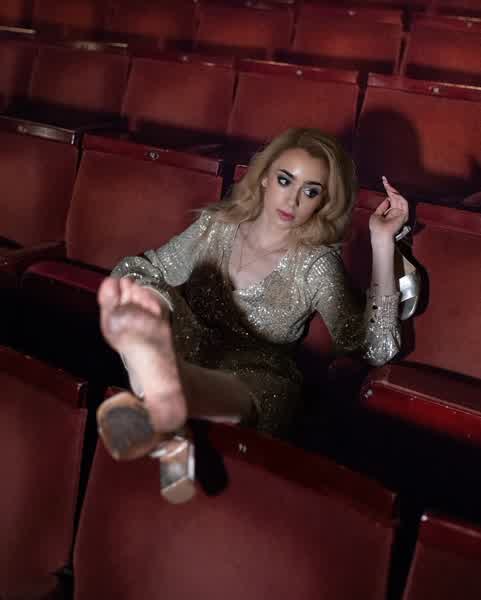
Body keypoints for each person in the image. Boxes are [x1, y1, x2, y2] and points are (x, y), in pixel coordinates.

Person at [96, 128, 408, 462]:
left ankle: (169, 400)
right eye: (285, 181)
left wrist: (382, 243)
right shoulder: (216, 226)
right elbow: (142, 271)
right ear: (264, 178)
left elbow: (375, 349)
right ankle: (155, 382)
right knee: (142, 292)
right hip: (187, 351)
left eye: (310, 191)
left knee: (241, 396)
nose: (292, 201)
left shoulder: (316, 264)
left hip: (256, 381)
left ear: (323, 202)